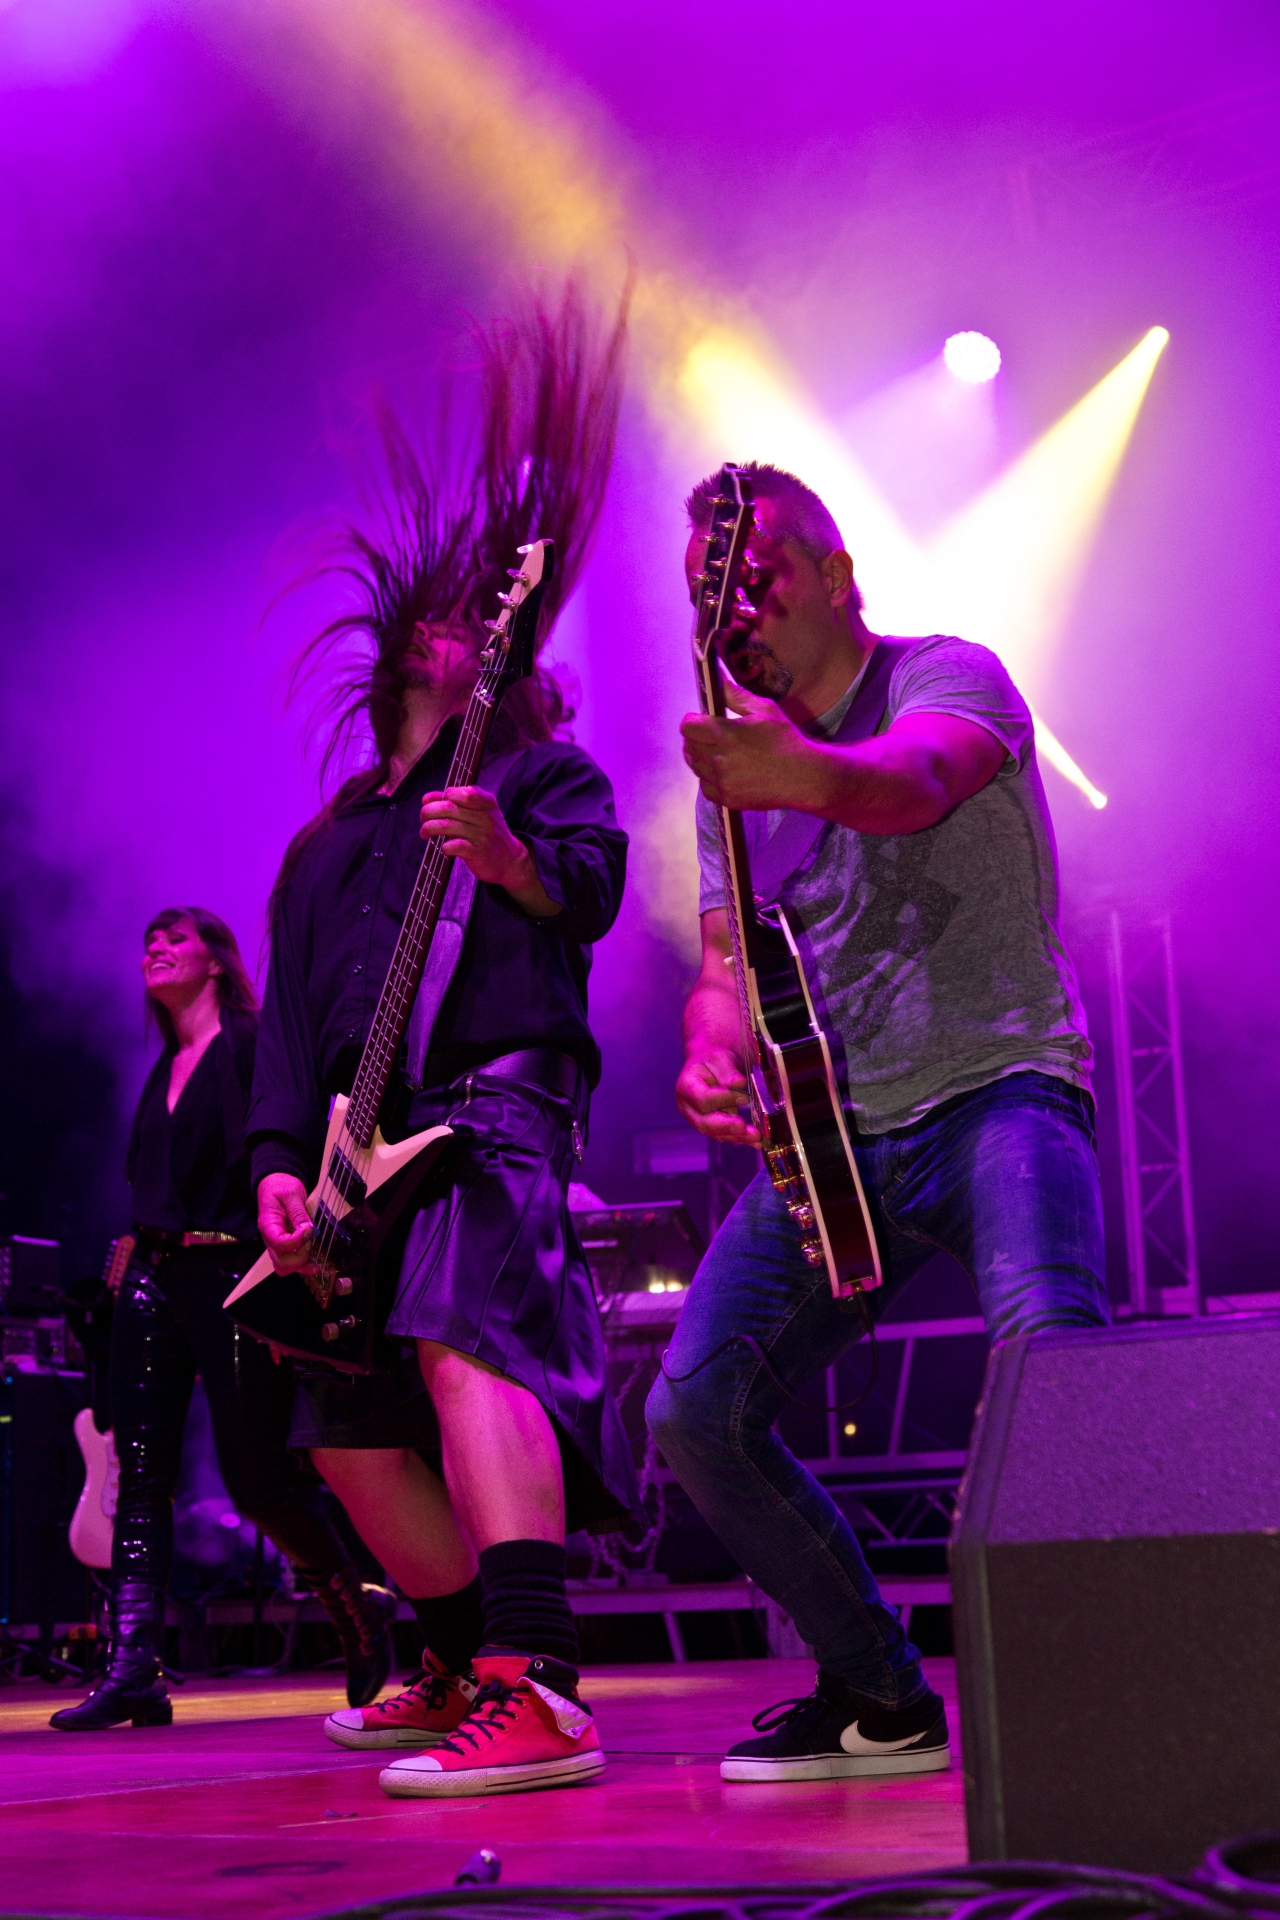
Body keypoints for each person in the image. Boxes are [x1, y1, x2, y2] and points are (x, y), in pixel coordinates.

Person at [646, 461, 1109, 1783]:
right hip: (836, 1140)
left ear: (836, 574)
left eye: (755, 580)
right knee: (692, 1411)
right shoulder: (730, 779)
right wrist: (708, 1050)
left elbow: (912, 780)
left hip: (1001, 1086)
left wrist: (796, 771)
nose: (732, 614)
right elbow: (724, 969)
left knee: (1050, 1371)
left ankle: (1100, 1705)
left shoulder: (944, 674)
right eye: (708, 597)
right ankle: (877, 1693)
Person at [245, 286, 641, 1799]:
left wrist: (509, 861)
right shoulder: (324, 844)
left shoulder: (542, 775)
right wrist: (278, 1163)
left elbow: (588, 897)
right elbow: (290, 1024)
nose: (476, 625)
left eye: (494, 616)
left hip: (491, 1111)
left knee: (466, 1343)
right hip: (357, 1152)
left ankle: (539, 1685)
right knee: (343, 1429)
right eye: (460, 612)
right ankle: (463, 1659)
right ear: (412, 641)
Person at [52, 908, 397, 1733]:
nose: (155, 948)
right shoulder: (164, 1065)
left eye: (175, 938)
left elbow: (286, 1149)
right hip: (155, 1277)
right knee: (141, 1475)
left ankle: (356, 1609)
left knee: (259, 1480)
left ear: (216, 960)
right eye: (148, 939)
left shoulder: (246, 1044)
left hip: (234, 1273)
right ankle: (133, 1670)